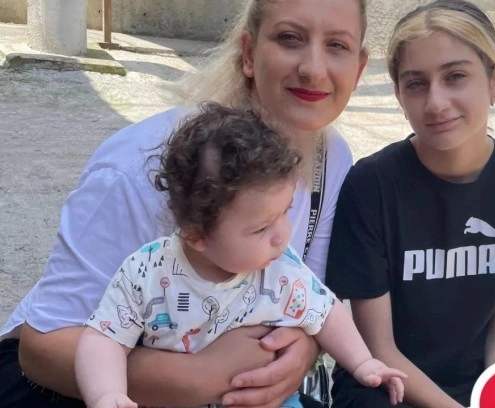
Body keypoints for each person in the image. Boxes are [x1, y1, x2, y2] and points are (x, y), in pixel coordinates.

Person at [0, 0, 369, 407]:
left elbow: (308, 296)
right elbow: (41, 349)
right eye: (290, 38)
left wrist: (301, 351)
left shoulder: (332, 158)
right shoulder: (142, 166)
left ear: (359, 68)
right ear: (248, 54)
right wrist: (203, 376)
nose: (313, 69)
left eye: (337, 45)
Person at [74, 103, 405, 408]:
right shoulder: (148, 272)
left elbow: (327, 312)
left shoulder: (280, 269)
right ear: (197, 235)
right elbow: (103, 338)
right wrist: (107, 394)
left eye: (285, 212)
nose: (282, 235)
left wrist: (363, 362)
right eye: (261, 228)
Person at [325, 1, 495, 407]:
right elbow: (379, 347)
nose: (435, 102)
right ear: (399, 95)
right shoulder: (370, 185)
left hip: (474, 389)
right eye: (416, 83)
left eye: (455, 77)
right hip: (384, 385)